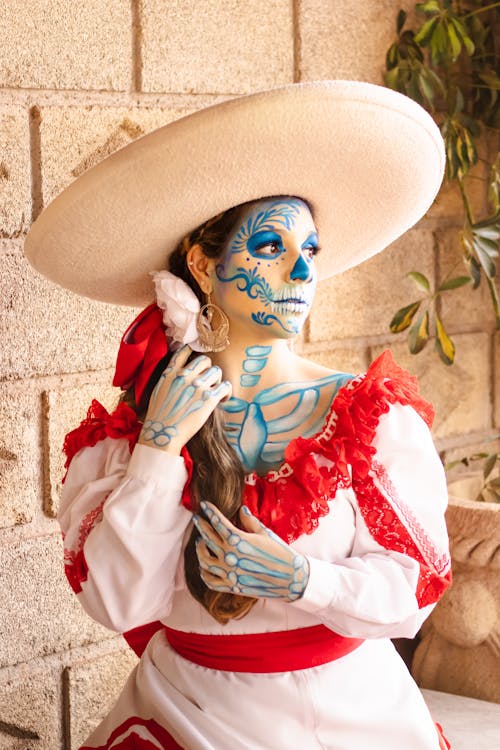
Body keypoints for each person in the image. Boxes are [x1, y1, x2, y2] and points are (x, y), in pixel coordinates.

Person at [24, 81, 452, 749]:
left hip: (353, 716)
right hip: (186, 713)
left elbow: (414, 587)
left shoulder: (368, 419)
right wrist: (159, 450)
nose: (299, 272)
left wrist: (300, 578)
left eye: (309, 251)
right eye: (270, 248)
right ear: (202, 263)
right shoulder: (126, 437)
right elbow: (116, 605)